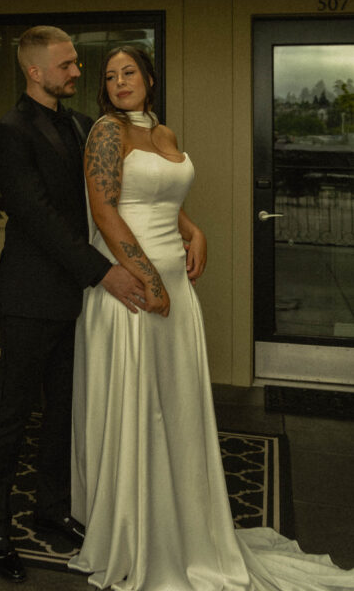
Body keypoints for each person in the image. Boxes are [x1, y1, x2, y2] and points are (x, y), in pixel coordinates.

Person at [69, 45, 354, 591]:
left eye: (129, 72)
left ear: (149, 79)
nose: (119, 81)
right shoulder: (107, 132)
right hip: (132, 288)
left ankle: (181, 516)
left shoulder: (163, 133)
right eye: (109, 76)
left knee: (173, 404)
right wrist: (148, 279)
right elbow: (105, 209)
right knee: (139, 403)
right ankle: (136, 526)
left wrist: (193, 229)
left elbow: (160, 196)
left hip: (173, 285)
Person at [0, 26, 149, 583]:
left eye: (77, 63)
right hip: (30, 295)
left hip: (79, 299)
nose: (79, 72)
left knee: (63, 413)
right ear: (35, 70)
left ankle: (50, 510)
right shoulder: (6, 134)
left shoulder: (81, 125)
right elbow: (39, 217)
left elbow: (107, 202)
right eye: (69, 64)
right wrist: (106, 275)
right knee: (11, 415)